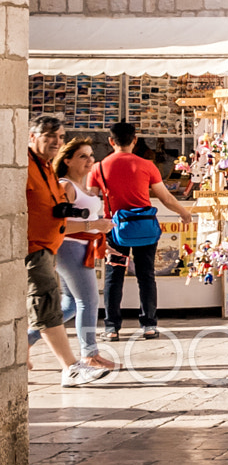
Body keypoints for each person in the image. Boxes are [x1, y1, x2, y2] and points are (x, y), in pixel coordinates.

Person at [93, 120, 195, 342]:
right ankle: (149, 325)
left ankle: (111, 328)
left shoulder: (98, 168)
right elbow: (165, 197)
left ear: (111, 141)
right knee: (146, 276)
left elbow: (90, 200)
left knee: (114, 277)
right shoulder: (148, 165)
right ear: (135, 141)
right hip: (145, 230)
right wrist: (184, 213)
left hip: (114, 229)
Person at [26, 117, 110, 385]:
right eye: (49, 135)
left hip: (50, 247)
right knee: (68, 302)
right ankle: (79, 362)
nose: (56, 140)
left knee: (62, 305)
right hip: (44, 247)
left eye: (60, 136)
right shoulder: (31, 168)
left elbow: (53, 211)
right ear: (31, 136)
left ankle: (23, 346)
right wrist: (92, 224)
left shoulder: (46, 171)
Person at [48, 139, 116, 373]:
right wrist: (93, 225)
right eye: (82, 156)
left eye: (90, 155)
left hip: (82, 247)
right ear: (67, 161)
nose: (90, 161)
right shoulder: (65, 186)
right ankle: (90, 355)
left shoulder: (82, 187)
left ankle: (27, 339)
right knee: (88, 301)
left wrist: (100, 237)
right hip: (70, 247)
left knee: (70, 304)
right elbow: (59, 225)